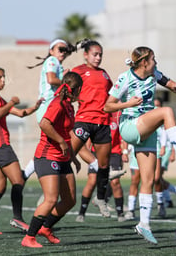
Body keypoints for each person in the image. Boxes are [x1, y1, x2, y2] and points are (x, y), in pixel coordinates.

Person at [104, 46, 176, 244]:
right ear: (144, 62)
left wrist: (175, 86)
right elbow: (108, 106)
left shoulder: (153, 74)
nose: (156, 62)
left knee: (148, 180)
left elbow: (166, 81)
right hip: (131, 126)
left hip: (147, 130)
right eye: (153, 59)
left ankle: (143, 224)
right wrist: (128, 104)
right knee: (166, 112)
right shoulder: (126, 78)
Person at [0, 66, 42, 235]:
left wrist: (35, 107)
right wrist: (11, 101)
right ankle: (17, 218)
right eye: (0, 77)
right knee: (18, 181)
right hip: (0, 146)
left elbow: (20, 113)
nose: (3, 80)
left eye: (4, 77)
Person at [21, 72, 83, 248]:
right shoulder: (58, 104)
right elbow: (44, 124)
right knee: (50, 199)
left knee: (70, 200)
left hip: (63, 158)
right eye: (80, 89)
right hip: (47, 157)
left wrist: (74, 157)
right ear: (75, 89)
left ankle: (46, 228)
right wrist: (62, 142)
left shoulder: (70, 106)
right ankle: (29, 237)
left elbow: (66, 133)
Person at [70, 39, 125, 218]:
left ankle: (101, 199)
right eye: (95, 54)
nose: (98, 57)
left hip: (102, 123)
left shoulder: (104, 75)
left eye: (101, 54)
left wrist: (127, 104)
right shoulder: (77, 71)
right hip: (84, 120)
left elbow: (112, 97)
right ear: (86, 55)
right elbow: (66, 89)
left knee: (103, 164)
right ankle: (50, 187)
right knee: (67, 153)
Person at [22, 38, 76, 180]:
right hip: (49, 106)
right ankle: (27, 173)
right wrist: (67, 82)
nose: (63, 52)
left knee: (49, 142)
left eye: (65, 50)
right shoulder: (52, 61)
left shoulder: (56, 64)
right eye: (60, 49)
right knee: (50, 142)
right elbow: (51, 79)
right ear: (51, 50)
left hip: (51, 106)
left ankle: (26, 174)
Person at [75, 111, 127, 222]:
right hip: (96, 151)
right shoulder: (97, 112)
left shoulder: (118, 114)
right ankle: (81, 213)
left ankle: (120, 213)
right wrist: (88, 148)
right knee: (92, 181)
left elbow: (123, 135)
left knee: (115, 182)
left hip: (114, 153)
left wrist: (125, 151)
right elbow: (90, 130)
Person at [154, 98, 176, 208]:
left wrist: (172, 151)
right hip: (157, 150)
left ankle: (174, 193)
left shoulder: (164, 118)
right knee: (157, 178)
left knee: (157, 177)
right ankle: (170, 198)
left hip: (165, 150)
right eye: (154, 105)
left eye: (158, 105)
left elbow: (171, 134)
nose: (156, 107)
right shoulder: (152, 118)